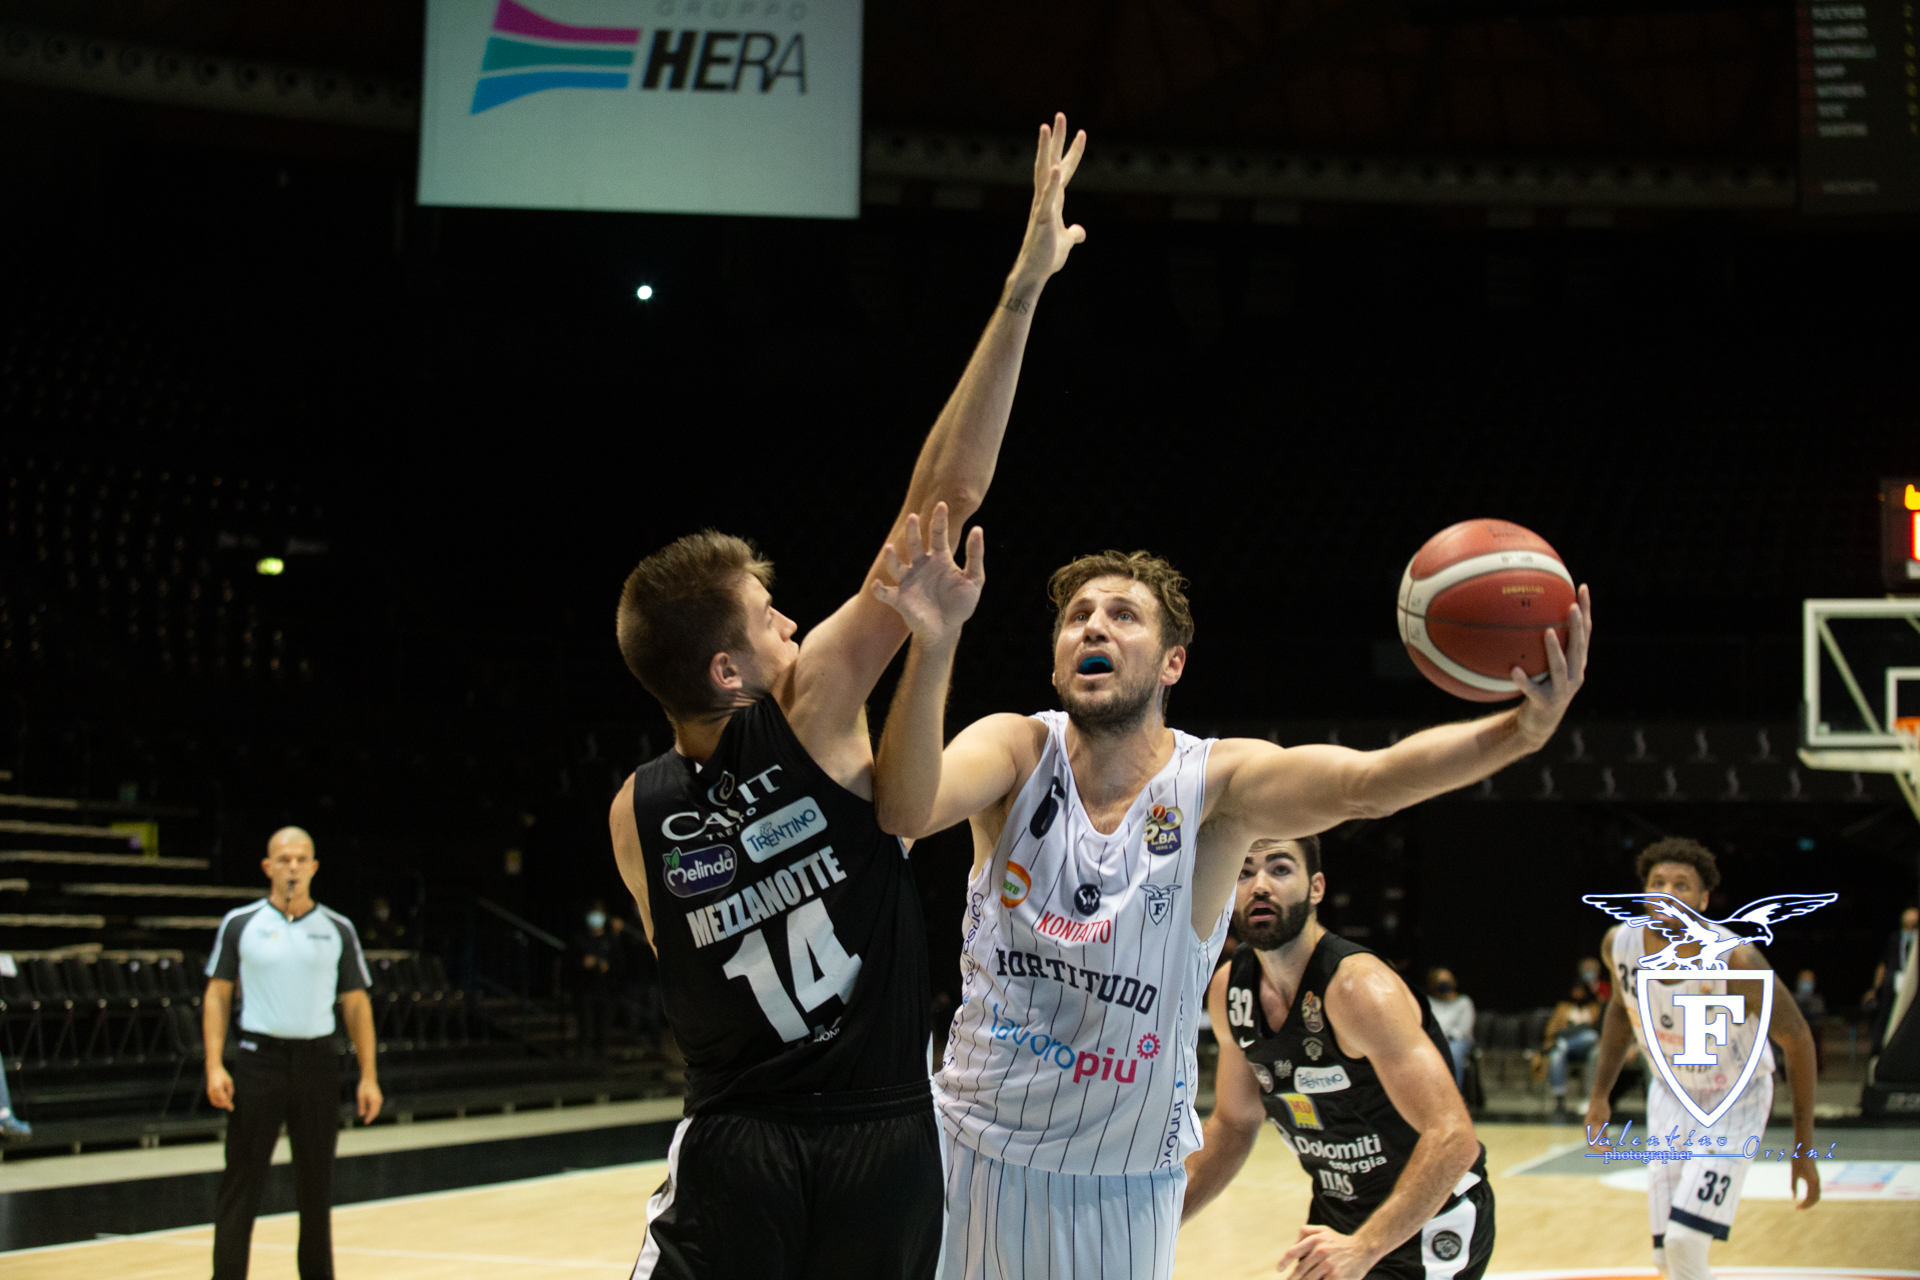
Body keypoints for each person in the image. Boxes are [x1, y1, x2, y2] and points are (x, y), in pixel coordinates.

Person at [606, 114, 1089, 1280]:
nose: (791, 622)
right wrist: (1022, 289)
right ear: (729, 673)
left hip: (736, 1139)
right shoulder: (813, 700)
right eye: (768, 616)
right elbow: (946, 492)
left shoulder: (634, 811)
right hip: (879, 1137)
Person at [866, 524, 1588, 1280]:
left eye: (1122, 615)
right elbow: (904, 812)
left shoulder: (1216, 788)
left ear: (1172, 662)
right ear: (1056, 661)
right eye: (1078, 616)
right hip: (969, 1146)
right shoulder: (1015, 750)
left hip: (1122, 1183)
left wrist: (1520, 734)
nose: (1094, 627)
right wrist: (935, 642)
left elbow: (1368, 784)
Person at [1184, 838, 1494, 1280]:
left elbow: (1454, 1137)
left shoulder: (1358, 989)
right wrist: (1161, 1219)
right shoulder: (1230, 990)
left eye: (1280, 869)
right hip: (1337, 1225)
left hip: (1430, 1220)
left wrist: (1364, 1247)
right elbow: (1234, 1126)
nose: (1260, 885)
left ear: (1316, 888)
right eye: (1244, 872)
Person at [1583, 837, 1821, 1280]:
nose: (1667, 894)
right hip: (1671, 1095)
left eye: (1682, 885)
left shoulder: (1737, 959)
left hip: (1735, 1099)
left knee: (1684, 1242)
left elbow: (1798, 1040)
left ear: (1703, 900)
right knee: (1664, 1257)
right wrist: (1600, 1095)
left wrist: (1803, 1146)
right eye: (1657, 883)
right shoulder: (1619, 944)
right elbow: (1619, 1009)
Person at [203, 827, 381, 1280]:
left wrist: (368, 1075)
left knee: (316, 1188)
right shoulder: (241, 923)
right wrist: (214, 1064)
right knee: (241, 1184)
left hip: (318, 1064)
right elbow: (217, 995)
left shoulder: (337, 928)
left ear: (315, 867)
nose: (293, 867)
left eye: (301, 859)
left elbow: (356, 1005)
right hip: (257, 1063)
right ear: (268, 867)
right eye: (284, 860)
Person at [1539, 980, 1600, 1118]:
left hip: (1587, 1049)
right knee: (1556, 1055)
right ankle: (1559, 1099)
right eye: (1575, 990)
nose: (1578, 993)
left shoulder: (1593, 1008)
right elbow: (1552, 1030)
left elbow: (1597, 1032)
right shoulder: (1564, 1007)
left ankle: (1564, 1045)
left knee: (1590, 1036)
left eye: (1580, 990)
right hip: (1567, 1051)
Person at [1865, 905, 1919, 1055]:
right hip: (1893, 985)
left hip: (1913, 986)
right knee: (1885, 1019)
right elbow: (1883, 965)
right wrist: (1875, 989)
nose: (1909, 929)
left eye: (1913, 925)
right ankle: (1879, 1052)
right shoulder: (1895, 939)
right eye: (1906, 925)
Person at [572, 899, 618, 1058]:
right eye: (593, 913)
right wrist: (583, 963)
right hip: (585, 991)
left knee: (602, 1029)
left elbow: (620, 964)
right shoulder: (579, 939)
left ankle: (600, 1059)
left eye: (599, 913)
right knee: (585, 1028)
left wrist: (608, 967)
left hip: (605, 992)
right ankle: (582, 1060)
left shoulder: (610, 940)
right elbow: (569, 963)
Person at [1427, 968, 1476, 1091]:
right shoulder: (1429, 1002)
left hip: (1457, 1041)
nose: (1443, 984)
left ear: (1453, 982)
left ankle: (1453, 1092)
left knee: (1453, 1052)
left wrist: (1444, 1036)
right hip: (1433, 1040)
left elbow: (1463, 1031)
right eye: (1439, 981)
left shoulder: (1463, 1002)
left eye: (1447, 980)